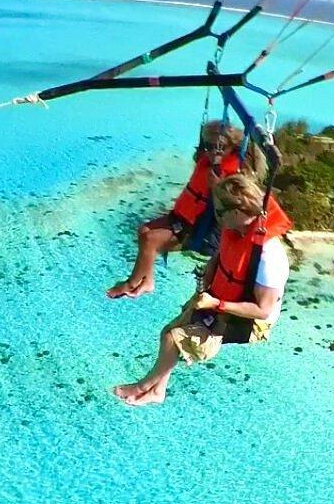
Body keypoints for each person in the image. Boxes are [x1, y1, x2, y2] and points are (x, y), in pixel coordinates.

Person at [113, 173, 292, 407]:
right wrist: (208, 277)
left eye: (218, 211)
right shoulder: (237, 230)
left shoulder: (269, 257)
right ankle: (158, 391)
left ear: (237, 213)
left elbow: (263, 311)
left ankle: (143, 387)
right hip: (218, 299)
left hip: (248, 322)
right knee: (169, 330)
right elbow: (222, 255)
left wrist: (216, 304)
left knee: (173, 339)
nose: (214, 216)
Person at [106, 121, 268, 299]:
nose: (212, 151)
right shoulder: (207, 159)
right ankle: (148, 281)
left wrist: (217, 188)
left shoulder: (233, 176)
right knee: (143, 230)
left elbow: (234, 206)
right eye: (208, 146)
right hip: (181, 218)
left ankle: (131, 284)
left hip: (198, 230)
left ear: (232, 146)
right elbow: (202, 155)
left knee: (150, 239)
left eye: (219, 147)